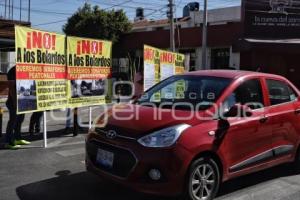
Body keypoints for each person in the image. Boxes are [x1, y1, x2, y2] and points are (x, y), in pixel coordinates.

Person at [5, 66, 30, 150]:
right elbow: (11, 88)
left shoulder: (24, 69)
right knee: (13, 121)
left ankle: (17, 138)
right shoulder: (12, 71)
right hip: (13, 102)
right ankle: (8, 142)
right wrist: (15, 102)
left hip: (22, 100)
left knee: (20, 120)